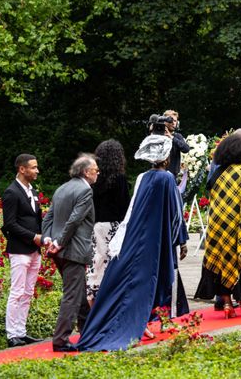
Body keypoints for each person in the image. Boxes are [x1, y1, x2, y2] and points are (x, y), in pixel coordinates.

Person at [75, 135, 190, 351]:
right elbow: (175, 212)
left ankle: (138, 321)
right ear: (165, 157)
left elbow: (132, 210)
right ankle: (141, 321)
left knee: (120, 276)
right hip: (155, 236)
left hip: (132, 233)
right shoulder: (166, 179)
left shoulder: (142, 177)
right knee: (151, 280)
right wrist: (180, 239)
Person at [195, 134, 241, 316]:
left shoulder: (218, 174)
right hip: (240, 227)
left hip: (218, 226)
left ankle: (226, 303)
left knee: (221, 262)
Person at [42, 154, 98, 352]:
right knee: (72, 296)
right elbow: (75, 220)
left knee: (80, 292)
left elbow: (49, 217)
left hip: (60, 251)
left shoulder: (62, 188)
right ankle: (60, 340)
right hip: (72, 249)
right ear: (85, 172)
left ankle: (88, 330)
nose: (97, 173)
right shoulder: (85, 190)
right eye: (95, 170)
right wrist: (59, 242)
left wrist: (48, 239)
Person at [1, 154, 44, 348]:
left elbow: (36, 219)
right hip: (19, 250)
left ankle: (21, 331)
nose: (37, 171)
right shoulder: (11, 192)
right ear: (22, 169)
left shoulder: (32, 190)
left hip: (35, 250)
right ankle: (12, 335)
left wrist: (44, 237)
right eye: (33, 167)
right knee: (17, 292)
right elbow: (9, 224)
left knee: (28, 292)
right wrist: (32, 237)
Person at [86, 140, 131, 304]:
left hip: (96, 226)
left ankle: (92, 299)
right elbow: (126, 207)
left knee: (96, 264)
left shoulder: (94, 180)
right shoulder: (119, 179)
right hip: (114, 226)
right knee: (113, 264)